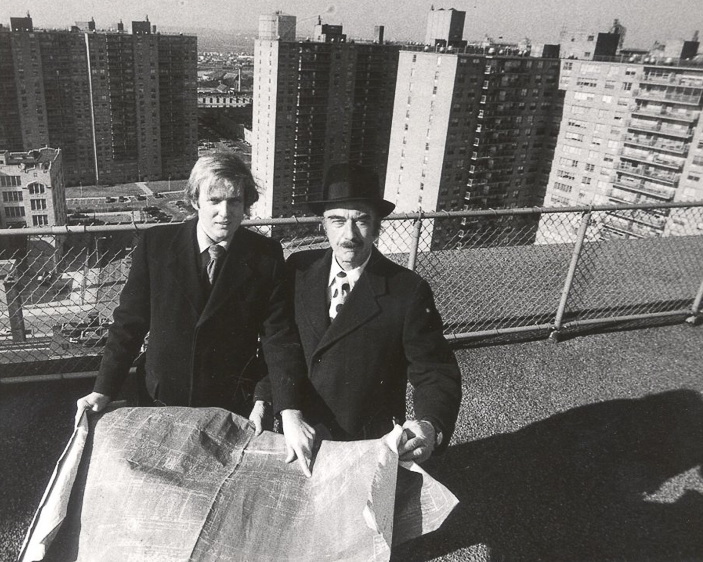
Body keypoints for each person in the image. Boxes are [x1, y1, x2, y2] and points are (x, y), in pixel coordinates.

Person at [77, 152, 315, 475]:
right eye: (214, 200)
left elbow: (277, 337)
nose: (225, 213)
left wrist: (281, 406)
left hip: (230, 407)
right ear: (194, 199)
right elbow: (128, 325)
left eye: (235, 200)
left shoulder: (266, 256)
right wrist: (103, 390)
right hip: (163, 400)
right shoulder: (155, 246)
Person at [252, 163, 462, 464]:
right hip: (299, 434)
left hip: (366, 444)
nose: (349, 235)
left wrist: (430, 425)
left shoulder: (407, 290)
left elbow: (435, 370)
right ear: (322, 225)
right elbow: (280, 344)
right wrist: (263, 399)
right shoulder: (297, 270)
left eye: (361, 221)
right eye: (337, 221)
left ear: (377, 227)